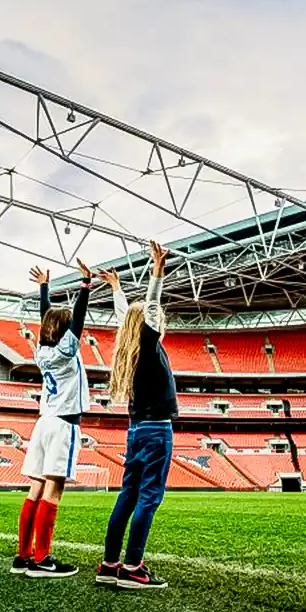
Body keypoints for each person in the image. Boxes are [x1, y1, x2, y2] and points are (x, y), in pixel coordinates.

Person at [95, 241, 177, 590]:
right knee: (148, 497)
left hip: (135, 430)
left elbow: (124, 315)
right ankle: (132, 568)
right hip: (157, 431)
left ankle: (110, 563)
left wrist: (116, 288)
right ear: (147, 323)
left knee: (128, 494)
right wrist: (157, 270)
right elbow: (153, 305)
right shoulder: (147, 340)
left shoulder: (130, 344)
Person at [12, 259, 94, 579]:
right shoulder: (66, 350)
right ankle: (43, 558)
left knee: (35, 487)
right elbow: (78, 321)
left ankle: (23, 555)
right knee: (54, 490)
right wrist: (85, 285)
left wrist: (45, 288)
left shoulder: (41, 351)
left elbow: (47, 318)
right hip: (63, 423)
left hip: (44, 421)